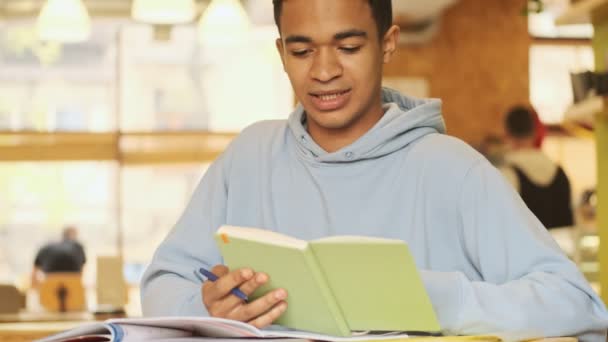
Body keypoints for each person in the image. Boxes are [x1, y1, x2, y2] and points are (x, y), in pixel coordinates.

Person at [141, 0, 608, 340]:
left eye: (347, 46)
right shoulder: (248, 156)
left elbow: (575, 302)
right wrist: (204, 307)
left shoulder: (452, 168)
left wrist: (439, 300)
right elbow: (163, 284)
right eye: (302, 52)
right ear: (281, 52)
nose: (324, 71)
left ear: (387, 45)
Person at [499, 106, 574, 229]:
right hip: (560, 247)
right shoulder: (560, 173)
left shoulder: (506, 175)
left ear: (507, 134)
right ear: (535, 133)